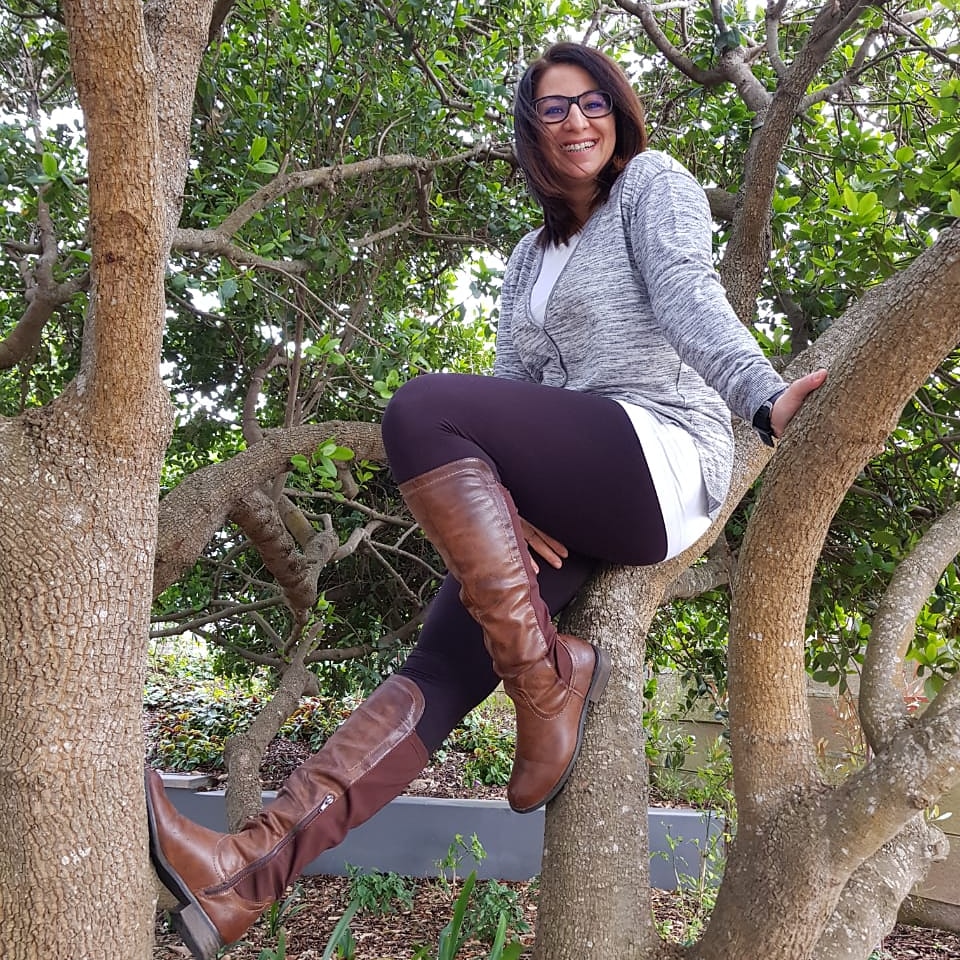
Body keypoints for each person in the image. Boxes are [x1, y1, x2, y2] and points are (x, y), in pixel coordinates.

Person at [145, 41, 827, 960]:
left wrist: (761, 396)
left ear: (619, 113)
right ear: (531, 130)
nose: (577, 121)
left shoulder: (651, 184)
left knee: (421, 408)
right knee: (437, 669)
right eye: (554, 108)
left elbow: (685, 296)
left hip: (656, 452)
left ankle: (545, 684)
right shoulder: (528, 257)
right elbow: (514, 389)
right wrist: (507, 498)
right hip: (574, 484)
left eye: (593, 102)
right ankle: (242, 877)